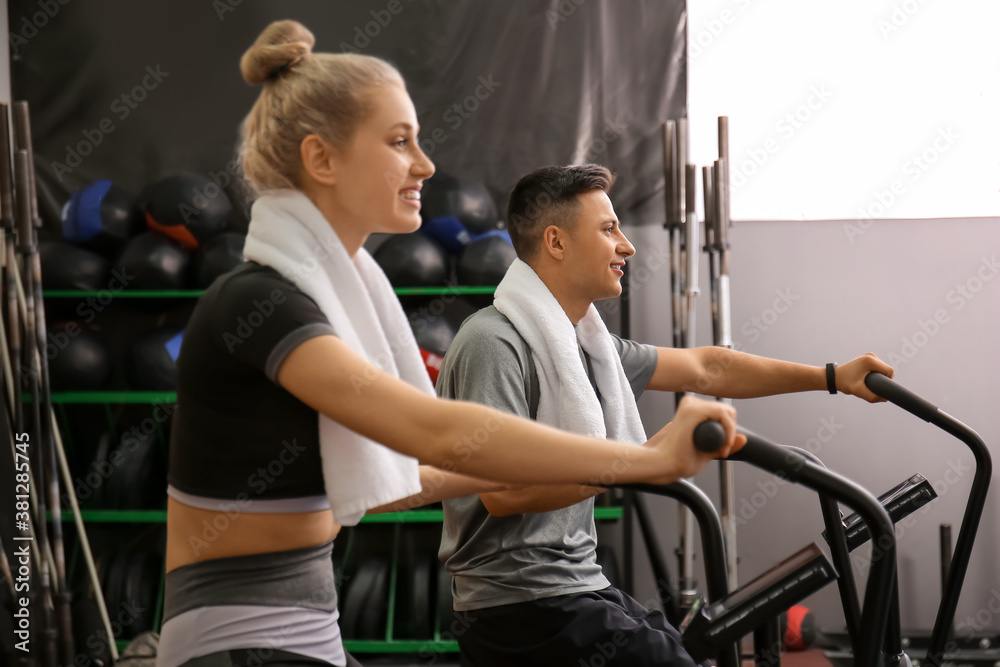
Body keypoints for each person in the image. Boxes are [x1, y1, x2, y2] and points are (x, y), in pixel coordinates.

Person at [157, 22, 743, 667]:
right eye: (399, 141)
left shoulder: (324, 298)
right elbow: (431, 429)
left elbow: (417, 473)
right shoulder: (259, 303)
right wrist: (643, 460)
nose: (425, 165)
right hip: (236, 644)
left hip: (303, 630)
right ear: (322, 159)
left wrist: (576, 464)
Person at [437, 164, 895, 667]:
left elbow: (706, 367)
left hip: (577, 587)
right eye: (608, 229)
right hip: (519, 608)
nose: (627, 246)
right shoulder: (493, 342)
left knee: (688, 651)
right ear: (556, 242)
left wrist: (832, 376)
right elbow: (503, 494)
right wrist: (644, 459)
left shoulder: (587, 346)